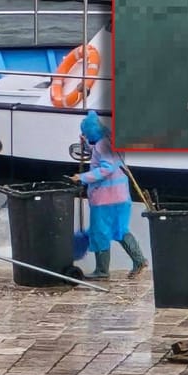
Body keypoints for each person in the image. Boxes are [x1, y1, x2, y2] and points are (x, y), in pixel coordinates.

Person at [69, 111, 147, 280]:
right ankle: (139, 259)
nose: (85, 135)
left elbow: (106, 168)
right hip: (121, 197)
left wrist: (81, 177)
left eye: (85, 132)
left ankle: (101, 270)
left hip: (105, 199)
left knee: (100, 233)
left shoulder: (101, 146)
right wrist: (88, 146)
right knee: (120, 230)